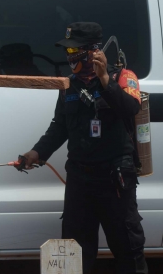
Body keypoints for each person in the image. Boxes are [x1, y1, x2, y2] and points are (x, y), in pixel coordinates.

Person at [21, 22, 148, 274]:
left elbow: (131, 109)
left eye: (74, 51)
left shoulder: (123, 77)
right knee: (73, 254)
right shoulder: (69, 85)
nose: (70, 57)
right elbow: (59, 127)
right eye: (68, 52)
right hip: (80, 181)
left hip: (116, 180)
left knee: (128, 249)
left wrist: (104, 81)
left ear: (93, 51)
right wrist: (36, 153)